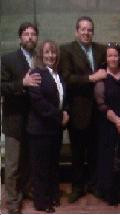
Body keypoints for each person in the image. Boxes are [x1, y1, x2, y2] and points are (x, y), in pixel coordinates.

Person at [59, 16, 107, 203]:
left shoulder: (100, 49)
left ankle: (94, 185)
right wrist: (91, 78)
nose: (86, 33)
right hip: (78, 111)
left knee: (95, 151)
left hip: (99, 112)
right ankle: (78, 187)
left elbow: (115, 57)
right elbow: (67, 78)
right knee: (78, 153)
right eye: (83, 29)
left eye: (89, 30)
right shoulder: (66, 50)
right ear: (76, 31)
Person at [1, 22, 41, 214]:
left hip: (34, 122)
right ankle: (11, 200)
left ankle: (25, 191)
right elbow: (1, 86)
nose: (30, 37)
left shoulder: (40, 59)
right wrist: (22, 83)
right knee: (13, 165)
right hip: (14, 120)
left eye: (33, 34)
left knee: (29, 162)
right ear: (20, 38)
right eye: (26, 34)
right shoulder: (8, 59)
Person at [27, 40, 69, 213]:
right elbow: (39, 102)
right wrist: (60, 116)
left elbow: (62, 98)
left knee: (52, 165)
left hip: (54, 129)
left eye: (53, 53)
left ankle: (52, 196)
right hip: (40, 130)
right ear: (41, 55)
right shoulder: (36, 73)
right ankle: (41, 202)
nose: (51, 56)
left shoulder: (57, 75)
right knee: (41, 168)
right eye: (47, 52)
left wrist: (65, 111)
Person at [94, 42, 120, 206]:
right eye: (110, 55)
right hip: (108, 126)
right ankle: (109, 193)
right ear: (106, 58)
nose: (113, 58)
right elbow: (102, 105)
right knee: (109, 160)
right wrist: (117, 121)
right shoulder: (101, 79)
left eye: (115, 55)